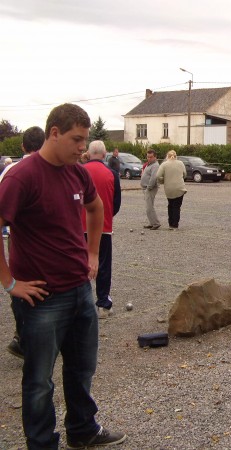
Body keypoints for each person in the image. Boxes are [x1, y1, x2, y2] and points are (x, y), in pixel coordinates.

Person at [0, 103, 126, 449]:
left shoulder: (78, 172)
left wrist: (93, 253)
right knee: (40, 380)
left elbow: (96, 207)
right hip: (41, 299)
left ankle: (82, 430)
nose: (81, 148)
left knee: (82, 368)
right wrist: (10, 282)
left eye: (85, 141)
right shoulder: (21, 176)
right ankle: (42, 443)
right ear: (54, 133)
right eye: (76, 140)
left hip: (79, 291)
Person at [1, 126, 45, 359]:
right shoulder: (17, 171)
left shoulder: (10, 169)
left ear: (22, 146)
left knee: (26, 285)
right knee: (30, 286)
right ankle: (26, 338)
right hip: (20, 236)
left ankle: (26, 336)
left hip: (12, 235)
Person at [82, 140, 121, 319]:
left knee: (79, 264)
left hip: (79, 226)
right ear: (104, 154)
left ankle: (81, 304)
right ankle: (103, 304)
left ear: (89, 154)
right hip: (103, 227)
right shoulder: (112, 174)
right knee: (104, 265)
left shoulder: (78, 172)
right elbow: (116, 203)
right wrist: (106, 217)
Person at [157, 150, 187, 230]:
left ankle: (170, 224)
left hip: (169, 188)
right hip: (179, 188)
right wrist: (180, 179)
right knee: (177, 206)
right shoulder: (181, 163)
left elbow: (158, 176)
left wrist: (163, 181)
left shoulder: (164, 164)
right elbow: (185, 174)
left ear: (167, 156)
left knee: (170, 205)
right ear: (176, 156)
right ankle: (175, 225)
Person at [141, 149, 161, 230]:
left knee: (149, 207)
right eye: (148, 157)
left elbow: (153, 178)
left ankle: (156, 223)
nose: (149, 158)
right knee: (149, 206)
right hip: (146, 188)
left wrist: (149, 187)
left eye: (151, 157)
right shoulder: (149, 164)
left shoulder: (155, 165)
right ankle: (151, 222)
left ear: (155, 157)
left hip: (150, 188)